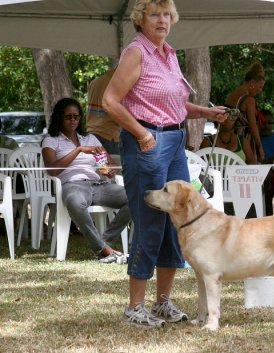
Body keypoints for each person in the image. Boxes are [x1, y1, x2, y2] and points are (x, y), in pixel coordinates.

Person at [102, 0, 227, 328]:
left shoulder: (168, 53)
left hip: (173, 141)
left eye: (166, 15)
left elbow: (173, 102)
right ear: (140, 19)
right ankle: (134, 306)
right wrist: (142, 134)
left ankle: (162, 303)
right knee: (151, 221)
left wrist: (204, 112)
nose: (162, 20)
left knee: (179, 218)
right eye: (154, 14)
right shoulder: (137, 52)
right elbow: (110, 101)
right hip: (148, 142)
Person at [41, 98, 131, 262]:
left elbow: (109, 164)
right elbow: (52, 170)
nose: (73, 120)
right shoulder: (51, 140)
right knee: (75, 203)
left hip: (98, 185)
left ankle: (105, 244)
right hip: (73, 185)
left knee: (135, 196)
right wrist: (79, 150)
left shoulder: (90, 138)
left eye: (76, 116)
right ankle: (103, 249)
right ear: (60, 117)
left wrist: (108, 168)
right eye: (69, 117)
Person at [225, 62, 266, 162]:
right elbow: (253, 126)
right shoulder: (249, 100)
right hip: (244, 141)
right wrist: (259, 147)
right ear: (252, 83)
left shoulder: (230, 96)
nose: (260, 90)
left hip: (229, 139)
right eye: (259, 87)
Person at [86, 69, 120, 155]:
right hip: (108, 134)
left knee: (97, 167)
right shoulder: (117, 86)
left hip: (92, 132)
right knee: (112, 167)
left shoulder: (94, 82)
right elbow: (117, 115)